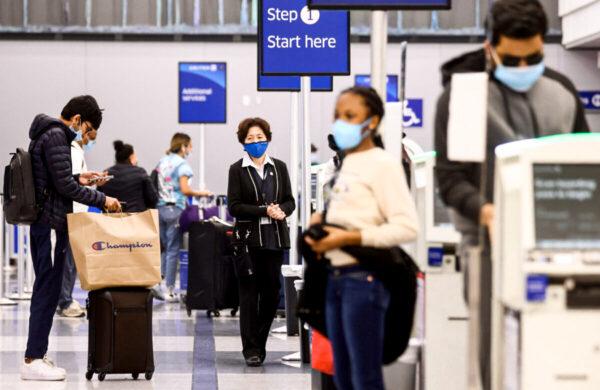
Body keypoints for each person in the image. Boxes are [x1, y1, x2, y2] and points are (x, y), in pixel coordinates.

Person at [434, 1, 589, 388]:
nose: (523, 68)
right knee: (492, 353)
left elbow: (585, 162)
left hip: (562, 244)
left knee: (564, 351)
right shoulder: (465, 96)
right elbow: (451, 178)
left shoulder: (561, 92)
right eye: (511, 59)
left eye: (533, 57)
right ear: (489, 46)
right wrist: (485, 211)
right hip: (486, 245)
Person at [305, 87, 419, 390]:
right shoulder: (347, 164)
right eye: (337, 116)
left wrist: (346, 238)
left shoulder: (384, 164)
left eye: (350, 116)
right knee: (342, 376)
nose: (341, 122)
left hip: (364, 282)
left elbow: (407, 227)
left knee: (365, 378)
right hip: (335, 279)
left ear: (372, 121)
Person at [23, 95, 120, 381]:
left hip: (48, 222)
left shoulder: (50, 134)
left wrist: (81, 177)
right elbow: (63, 186)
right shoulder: (56, 136)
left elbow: (57, 179)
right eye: (87, 127)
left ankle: (36, 353)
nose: (85, 135)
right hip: (51, 224)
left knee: (48, 288)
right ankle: (33, 359)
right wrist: (103, 199)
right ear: (77, 119)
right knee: (47, 290)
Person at [227, 117, 296, 367]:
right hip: (247, 241)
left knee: (270, 293)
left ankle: (260, 341)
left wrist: (283, 211)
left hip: (274, 240)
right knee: (248, 293)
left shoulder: (279, 167)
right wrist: (264, 210)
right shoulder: (237, 169)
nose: (256, 142)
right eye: (250, 139)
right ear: (243, 142)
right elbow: (234, 206)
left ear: (267, 137)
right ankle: (251, 350)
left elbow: (290, 200)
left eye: (260, 137)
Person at [155, 133, 211, 302]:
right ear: (183, 146)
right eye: (190, 146)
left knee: (164, 248)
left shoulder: (162, 161)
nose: (191, 149)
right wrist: (203, 192)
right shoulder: (182, 165)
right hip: (175, 209)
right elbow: (185, 190)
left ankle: (160, 285)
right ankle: (170, 290)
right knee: (173, 249)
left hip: (160, 207)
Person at [56, 121, 98, 318]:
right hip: (73, 211)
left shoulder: (78, 151)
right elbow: (70, 183)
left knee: (71, 260)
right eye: (90, 138)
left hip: (78, 210)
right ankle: (64, 301)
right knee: (68, 261)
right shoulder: (72, 150)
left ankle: (65, 298)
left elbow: (77, 178)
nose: (91, 142)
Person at [99, 140, 158, 212]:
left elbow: (99, 199)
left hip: (111, 219)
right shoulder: (140, 172)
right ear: (131, 157)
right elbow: (153, 198)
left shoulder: (106, 173)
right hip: (135, 218)